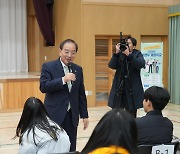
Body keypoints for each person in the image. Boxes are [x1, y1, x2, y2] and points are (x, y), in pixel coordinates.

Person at [40, 39, 89, 151]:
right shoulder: (49, 66)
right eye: (66, 52)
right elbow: (43, 86)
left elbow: (80, 93)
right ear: (60, 51)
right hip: (54, 115)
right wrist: (63, 79)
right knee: (53, 147)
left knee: (71, 147)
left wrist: (84, 115)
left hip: (72, 116)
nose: (69, 55)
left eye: (73, 52)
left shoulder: (78, 69)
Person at [108, 36, 145, 117]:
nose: (126, 45)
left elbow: (141, 64)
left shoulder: (137, 53)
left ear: (134, 46)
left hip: (132, 88)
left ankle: (131, 128)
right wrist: (116, 53)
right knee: (117, 112)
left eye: (128, 43)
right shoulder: (120, 54)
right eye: (125, 43)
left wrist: (129, 55)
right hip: (120, 87)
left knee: (131, 113)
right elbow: (111, 65)